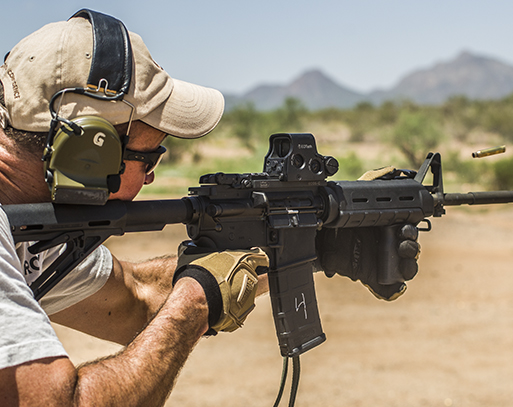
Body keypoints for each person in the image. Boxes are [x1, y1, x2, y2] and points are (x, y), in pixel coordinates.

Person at [0, 9, 420, 406]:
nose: (149, 178)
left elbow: (135, 300)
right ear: (89, 153)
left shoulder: (32, 235)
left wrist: (309, 246)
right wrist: (193, 307)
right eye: (150, 157)